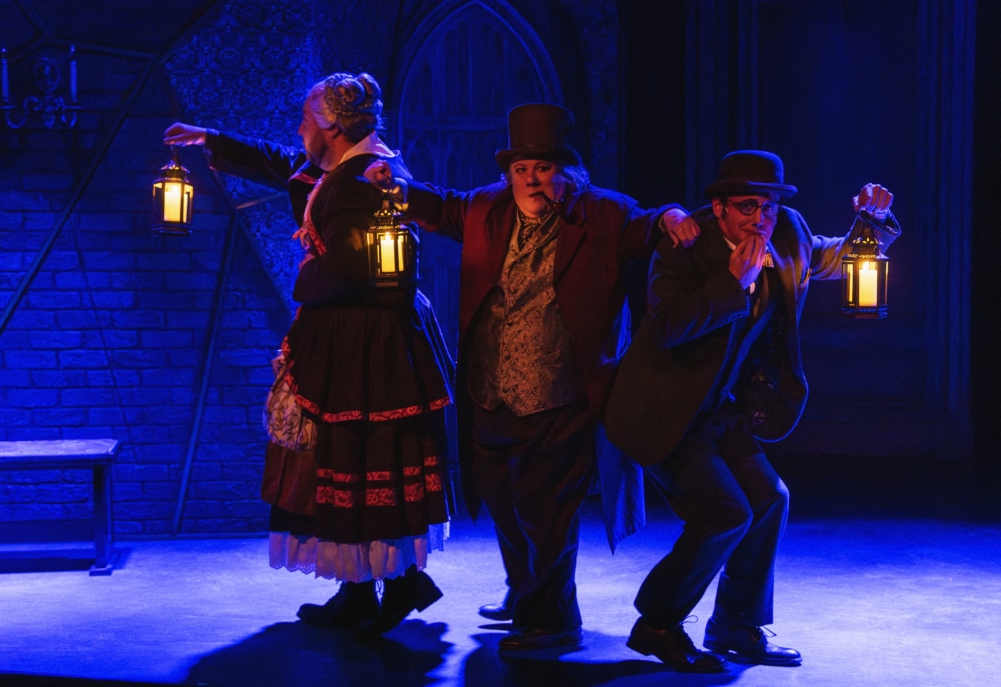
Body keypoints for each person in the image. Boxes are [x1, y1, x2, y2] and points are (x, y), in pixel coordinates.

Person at [365, 103, 700, 651]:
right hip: (490, 391)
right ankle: (526, 593)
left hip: (560, 396)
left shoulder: (602, 213)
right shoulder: (488, 208)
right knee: (502, 498)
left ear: (567, 172)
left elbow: (647, 225)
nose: (531, 180)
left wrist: (671, 216)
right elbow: (442, 206)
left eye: (543, 168)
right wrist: (398, 189)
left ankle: (553, 620)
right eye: (521, 169)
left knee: (548, 512)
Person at [162, 72, 453, 636]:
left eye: (304, 121)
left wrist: (306, 277)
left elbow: (358, 266)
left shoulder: (367, 178)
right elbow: (285, 164)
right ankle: (365, 588)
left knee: (362, 453)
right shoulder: (345, 168)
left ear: (332, 127)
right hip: (351, 331)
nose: (299, 131)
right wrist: (211, 140)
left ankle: (393, 584)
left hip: (367, 339)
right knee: (343, 458)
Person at [604, 150, 901, 672]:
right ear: (719, 208)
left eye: (767, 206)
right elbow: (667, 328)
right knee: (724, 512)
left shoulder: (787, 233)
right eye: (746, 206)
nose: (759, 218)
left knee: (769, 499)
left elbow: (836, 258)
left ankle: (736, 624)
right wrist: (732, 283)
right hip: (664, 411)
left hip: (721, 411)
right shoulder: (685, 245)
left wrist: (871, 222)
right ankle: (657, 624)